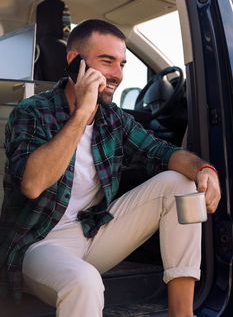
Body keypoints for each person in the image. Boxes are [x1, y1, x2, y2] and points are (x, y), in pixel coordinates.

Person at [0, 19, 221, 317]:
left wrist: (205, 170)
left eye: (122, 64)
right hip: (38, 244)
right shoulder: (33, 112)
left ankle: (181, 313)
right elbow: (33, 184)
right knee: (84, 282)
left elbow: (163, 151)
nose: (117, 75)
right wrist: (81, 114)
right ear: (74, 61)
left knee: (180, 183)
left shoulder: (113, 118)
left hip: (92, 231)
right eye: (107, 61)